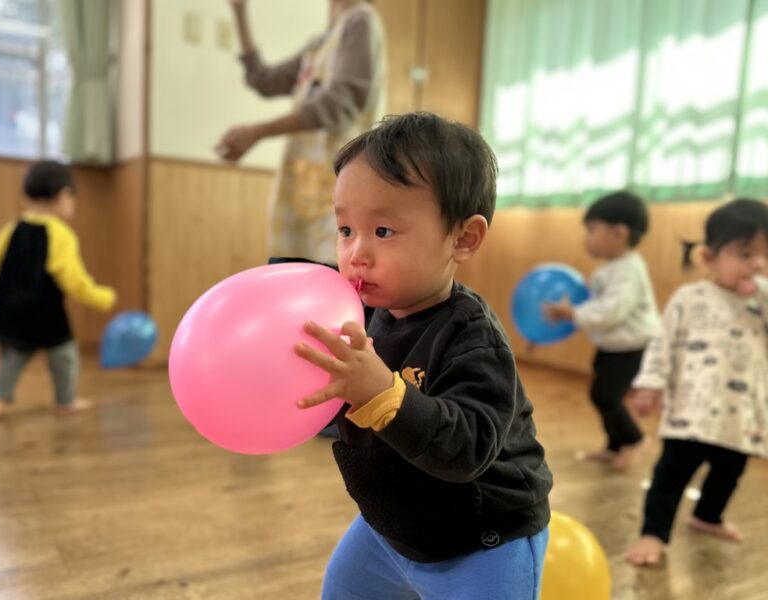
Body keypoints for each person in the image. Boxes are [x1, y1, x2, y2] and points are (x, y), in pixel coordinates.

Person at [293, 113, 552, 599]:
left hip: (482, 539)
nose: (356, 253)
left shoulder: (472, 337)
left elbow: (469, 448)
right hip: (388, 530)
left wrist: (382, 393)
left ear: (463, 238)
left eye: (384, 231)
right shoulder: (362, 313)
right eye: (345, 228)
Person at [625, 198, 768, 567]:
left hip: (742, 416)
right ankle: (653, 532)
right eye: (745, 253)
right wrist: (650, 383)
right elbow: (663, 344)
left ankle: (708, 515)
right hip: (691, 411)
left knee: (729, 472)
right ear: (708, 257)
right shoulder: (690, 299)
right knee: (671, 475)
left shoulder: (761, 304)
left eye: (766, 256)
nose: (758, 265)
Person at [217, 0, 386, 266]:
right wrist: (239, 12)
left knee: (327, 286)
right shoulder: (321, 43)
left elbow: (336, 104)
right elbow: (264, 79)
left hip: (336, 195)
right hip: (302, 197)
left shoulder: (361, 22)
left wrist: (258, 132)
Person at [0, 160, 117, 418]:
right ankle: (66, 400)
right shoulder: (61, 235)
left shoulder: (13, 227)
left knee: (13, 355)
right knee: (64, 355)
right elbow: (73, 279)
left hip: (14, 308)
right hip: (46, 310)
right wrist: (101, 297)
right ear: (63, 195)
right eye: (72, 198)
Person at [543, 191, 661, 470]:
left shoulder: (629, 270)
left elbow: (611, 310)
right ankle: (614, 445)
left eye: (592, 230)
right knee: (601, 393)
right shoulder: (610, 268)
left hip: (632, 346)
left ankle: (634, 439)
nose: (587, 237)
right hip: (612, 345)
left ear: (618, 233)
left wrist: (572, 313)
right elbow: (596, 304)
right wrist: (574, 309)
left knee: (606, 395)